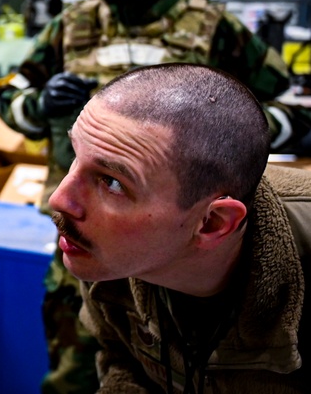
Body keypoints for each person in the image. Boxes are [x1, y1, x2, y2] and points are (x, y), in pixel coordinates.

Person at [0, 0, 310, 394]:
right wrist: (39, 104)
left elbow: (292, 105)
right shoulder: (70, 25)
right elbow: (7, 100)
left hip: (179, 241)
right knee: (77, 363)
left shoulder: (213, 28)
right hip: (83, 228)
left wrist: (222, 136)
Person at [50, 63, 311, 392]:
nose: (59, 199)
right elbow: (123, 360)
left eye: (113, 182)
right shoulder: (104, 254)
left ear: (212, 223)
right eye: (76, 156)